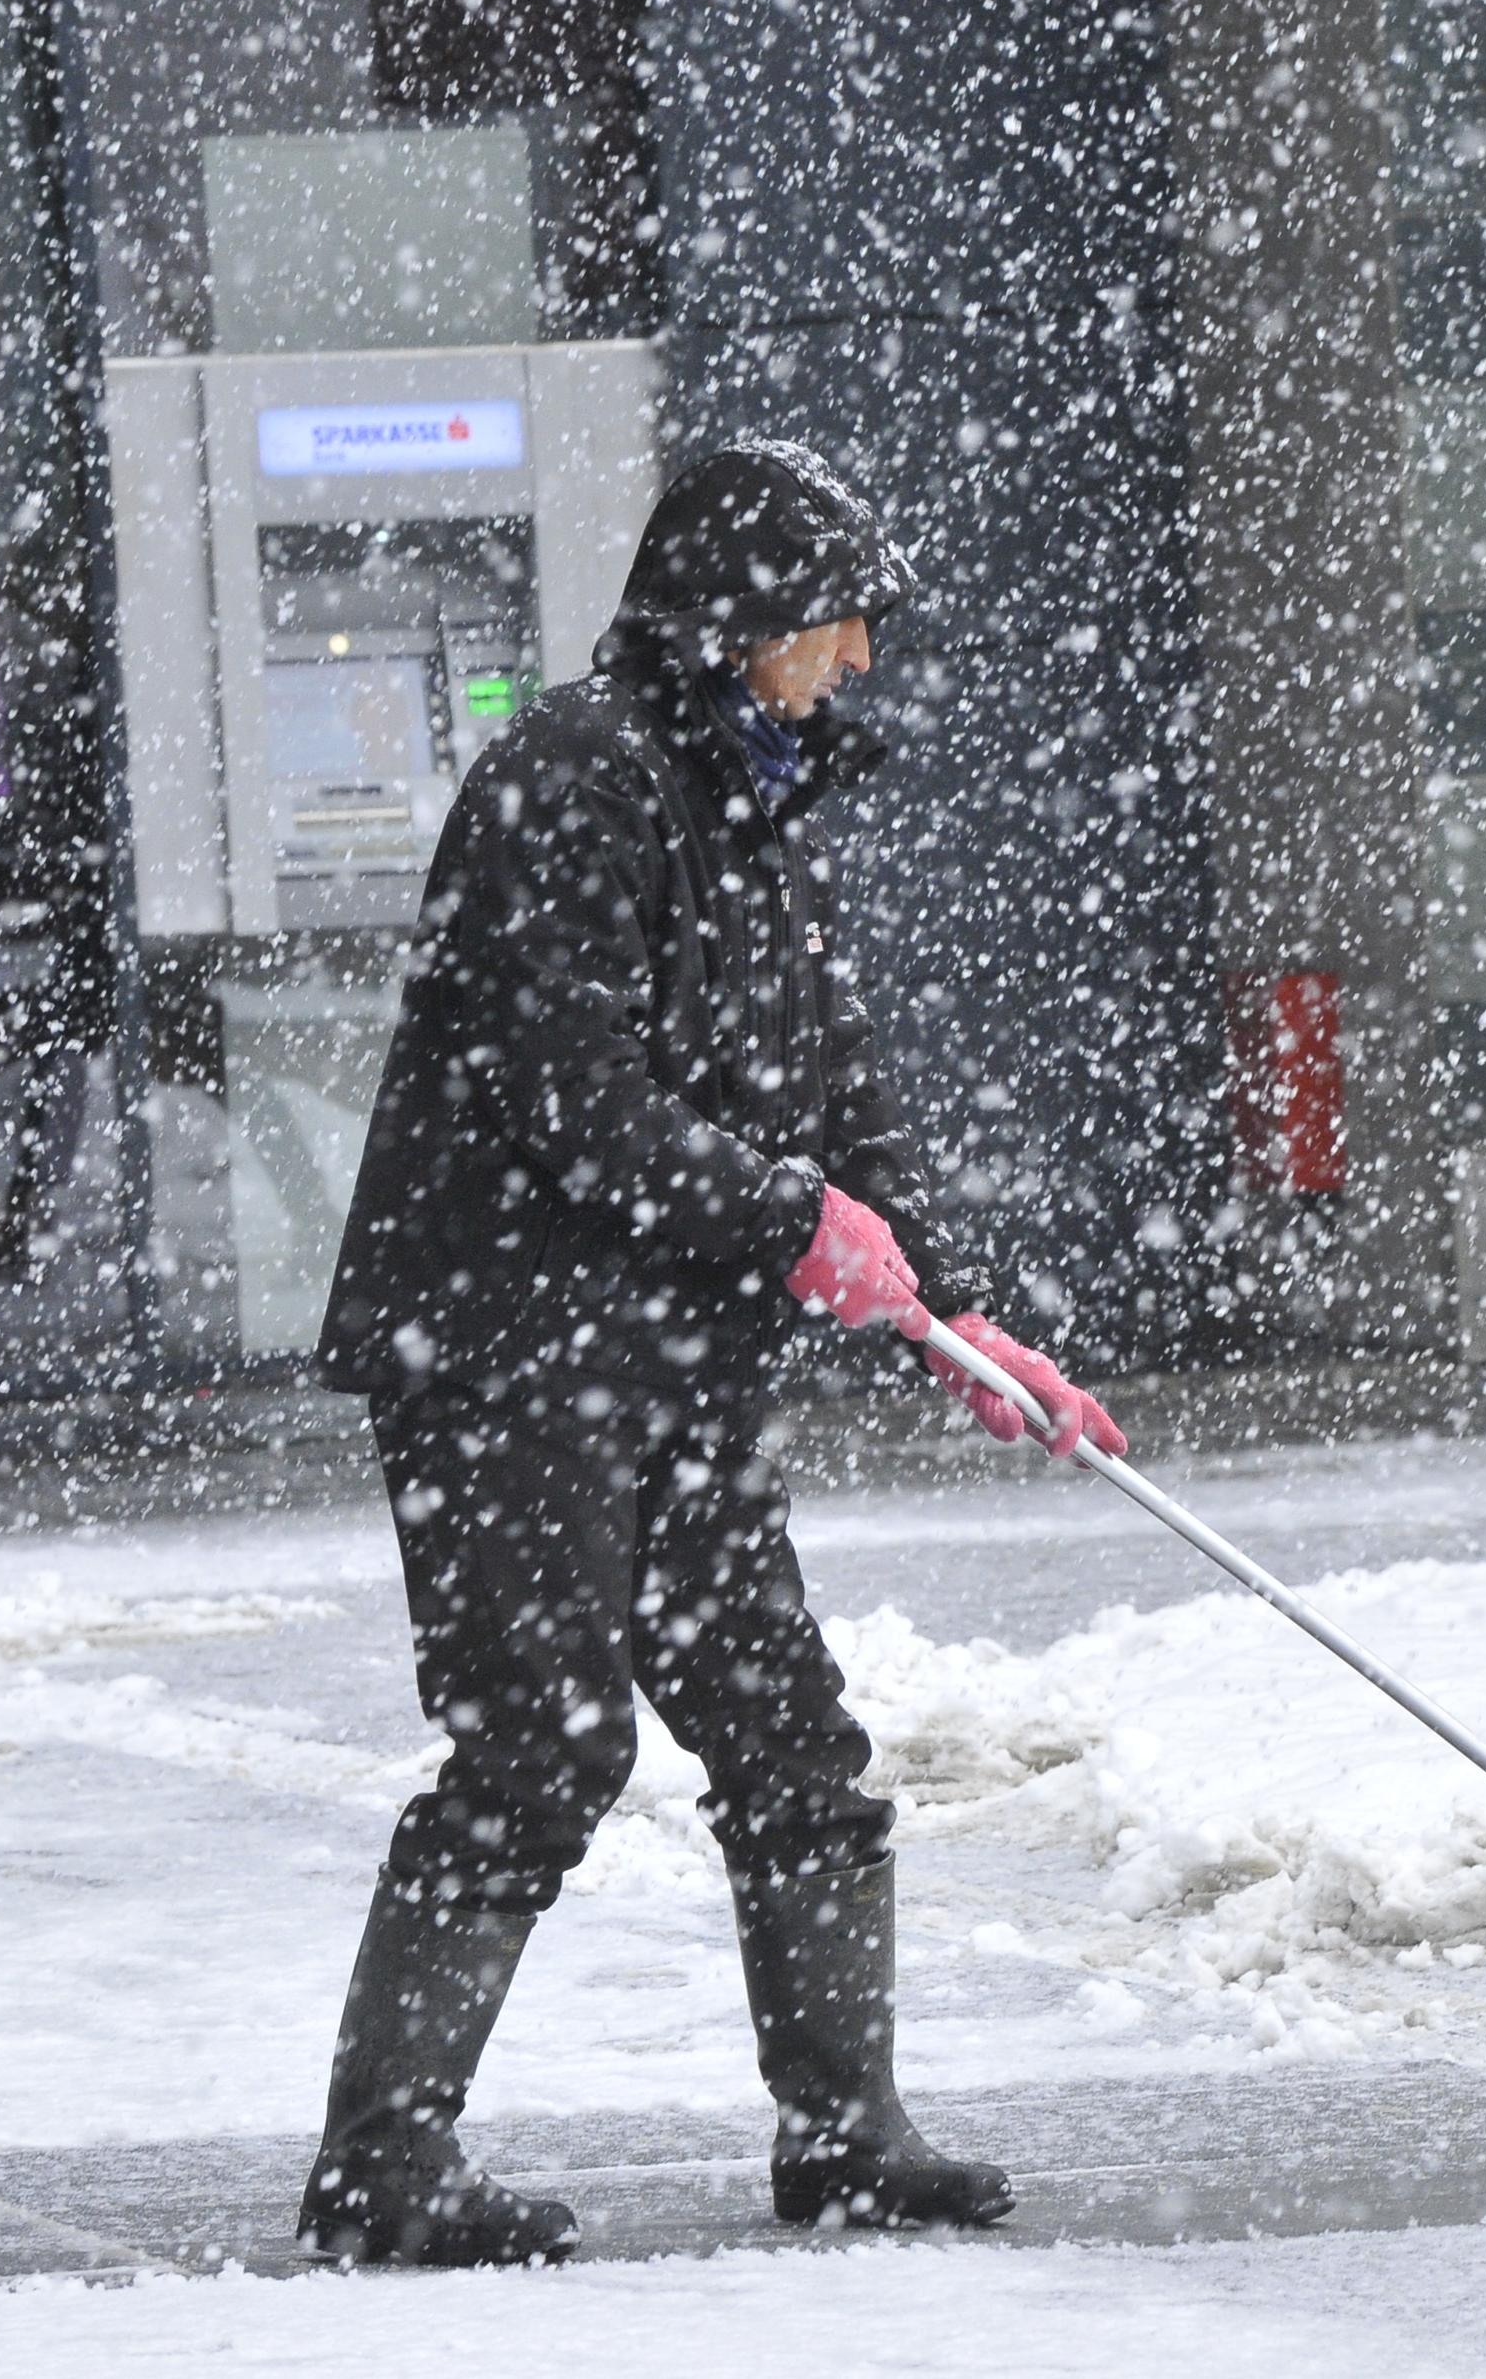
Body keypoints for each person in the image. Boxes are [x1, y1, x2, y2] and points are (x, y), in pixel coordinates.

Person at [297, 439, 1128, 2264]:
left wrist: (957, 1313)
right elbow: (569, 1093)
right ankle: (380, 2172)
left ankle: (847, 2136)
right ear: (735, 620)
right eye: (831, 624)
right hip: (509, 1350)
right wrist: (785, 1222)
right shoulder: (576, 781)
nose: (856, 661)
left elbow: (837, 1097)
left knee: (786, 1739)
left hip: (667, 1354)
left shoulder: (747, 800)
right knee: (539, 1748)